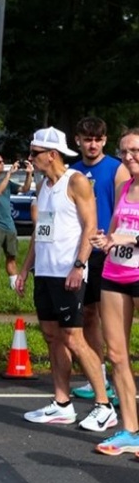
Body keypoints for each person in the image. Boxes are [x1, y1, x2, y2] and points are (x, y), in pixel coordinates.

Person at [15, 127, 116, 432]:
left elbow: (90, 226)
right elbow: (40, 231)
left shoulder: (76, 181)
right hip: (45, 272)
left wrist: (78, 266)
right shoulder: (44, 186)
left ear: (52, 154)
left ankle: (104, 405)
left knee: (73, 337)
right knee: (51, 336)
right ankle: (62, 403)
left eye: (35, 153)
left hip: (68, 272)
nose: (31, 158)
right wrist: (25, 269)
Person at [68, 116, 128, 403]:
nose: (92, 145)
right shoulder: (72, 172)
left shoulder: (117, 169)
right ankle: (99, 378)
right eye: (87, 139)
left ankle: (120, 382)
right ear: (78, 140)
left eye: (97, 139)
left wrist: (112, 239)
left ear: (104, 141)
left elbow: (123, 209)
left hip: (109, 253)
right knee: (89, 315)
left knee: (112, 319)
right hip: (83, 251)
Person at [91, 129, 139, 455]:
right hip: (114, 274)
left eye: (134, 150)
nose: (128, 156)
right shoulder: (124, 187)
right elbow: (114, 232)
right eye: (123, 151)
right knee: (117, 355)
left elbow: (129, 235)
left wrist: (130, 238)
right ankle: (130, 431)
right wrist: (105, 241)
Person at [0, 153, 33, 290]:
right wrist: (9, 174)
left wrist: (29, 174)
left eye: (2, 161)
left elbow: (25, 189)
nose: (2, 164)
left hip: (9, 224)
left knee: (11, 256)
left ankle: (13, 286)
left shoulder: (6, 182)